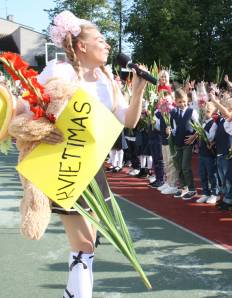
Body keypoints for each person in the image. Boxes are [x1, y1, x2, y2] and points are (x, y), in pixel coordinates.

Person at [32, 11, 147, 298]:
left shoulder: (108, 79)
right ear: (82, 46)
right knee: (84, 243)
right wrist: (42, 130)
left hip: (93, 168)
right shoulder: (58, 71)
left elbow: (129, 121)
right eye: (101, 39)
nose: (107, 45)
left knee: (89, 242)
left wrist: (138, 91)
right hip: (64, 163)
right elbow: (27, 109)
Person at [170, 89, 198, 200]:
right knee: (179, 167)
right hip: (178, 143)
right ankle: (183, 187)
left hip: (188, 143)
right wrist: (170, 132)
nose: (183, 104)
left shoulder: (192, 111)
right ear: (175, 102)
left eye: (184, 101)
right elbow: (174, 128)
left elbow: (199, 127)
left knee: (185, 166)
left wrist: (194, 137)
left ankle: (192, 189)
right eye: (180, 102)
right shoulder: (173, 112)